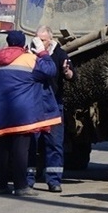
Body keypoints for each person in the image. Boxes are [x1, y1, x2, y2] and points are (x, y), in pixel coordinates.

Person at [0, 30, 61, 197]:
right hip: (22, 113)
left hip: (1, 112)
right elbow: (51, 70)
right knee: (20, 150)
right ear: (23, 44)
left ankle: (1, 186)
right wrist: (42, 52)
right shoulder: (29, 59)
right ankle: (21, 186)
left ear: (8, 43)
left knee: (2, 150)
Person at [26, 25, 75, 193]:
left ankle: (54, 180)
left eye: (43, 40)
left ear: (51, 39)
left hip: (54, 105)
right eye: (37, 39)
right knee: (30, 143)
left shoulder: (59, 54)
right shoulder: (28, 54)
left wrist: (67, 72)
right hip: (33, 106)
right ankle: (28, 179)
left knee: (54, 144)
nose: (39, 43)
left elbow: (71, 76)